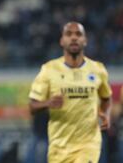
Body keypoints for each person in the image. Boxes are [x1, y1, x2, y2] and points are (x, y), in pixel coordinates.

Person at [28, 22, 112, 163]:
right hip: (59, 146)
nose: (74, 38)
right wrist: (48, 103)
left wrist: (106, 114)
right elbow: (32, 106)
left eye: (78, 34)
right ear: (62, 41)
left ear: (85, 40)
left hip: (89, 144)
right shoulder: (48, 70)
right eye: (69, 34)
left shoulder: (98, 69)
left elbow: (106, 97)